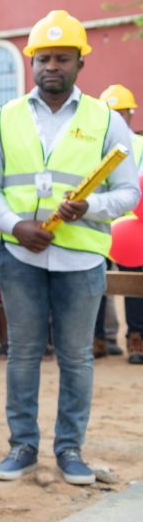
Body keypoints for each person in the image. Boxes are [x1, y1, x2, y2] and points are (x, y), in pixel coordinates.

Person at [0, 10, 139, 486]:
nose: (52, 66)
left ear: (79, 63)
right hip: (21, 255)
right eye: (44, 57)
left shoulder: (107, 121)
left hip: (81, 258)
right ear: (32, 62)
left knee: (76, 357)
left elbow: (128, 192)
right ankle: (22, 446)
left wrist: (89, 206)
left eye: (62, 58)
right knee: (22, 354)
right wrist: (15, 225)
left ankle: (70, 449)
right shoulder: (3, 120)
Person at [98, 84, 143, 364]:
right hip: (99, 222)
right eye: (110, 113)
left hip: (132, 229)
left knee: (134, 285)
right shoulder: (93, 145)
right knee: (92, 281)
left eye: (120, 113)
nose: (116, 117)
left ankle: (136, 338)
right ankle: (96, 339)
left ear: (130, 115)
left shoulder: (140, 145)